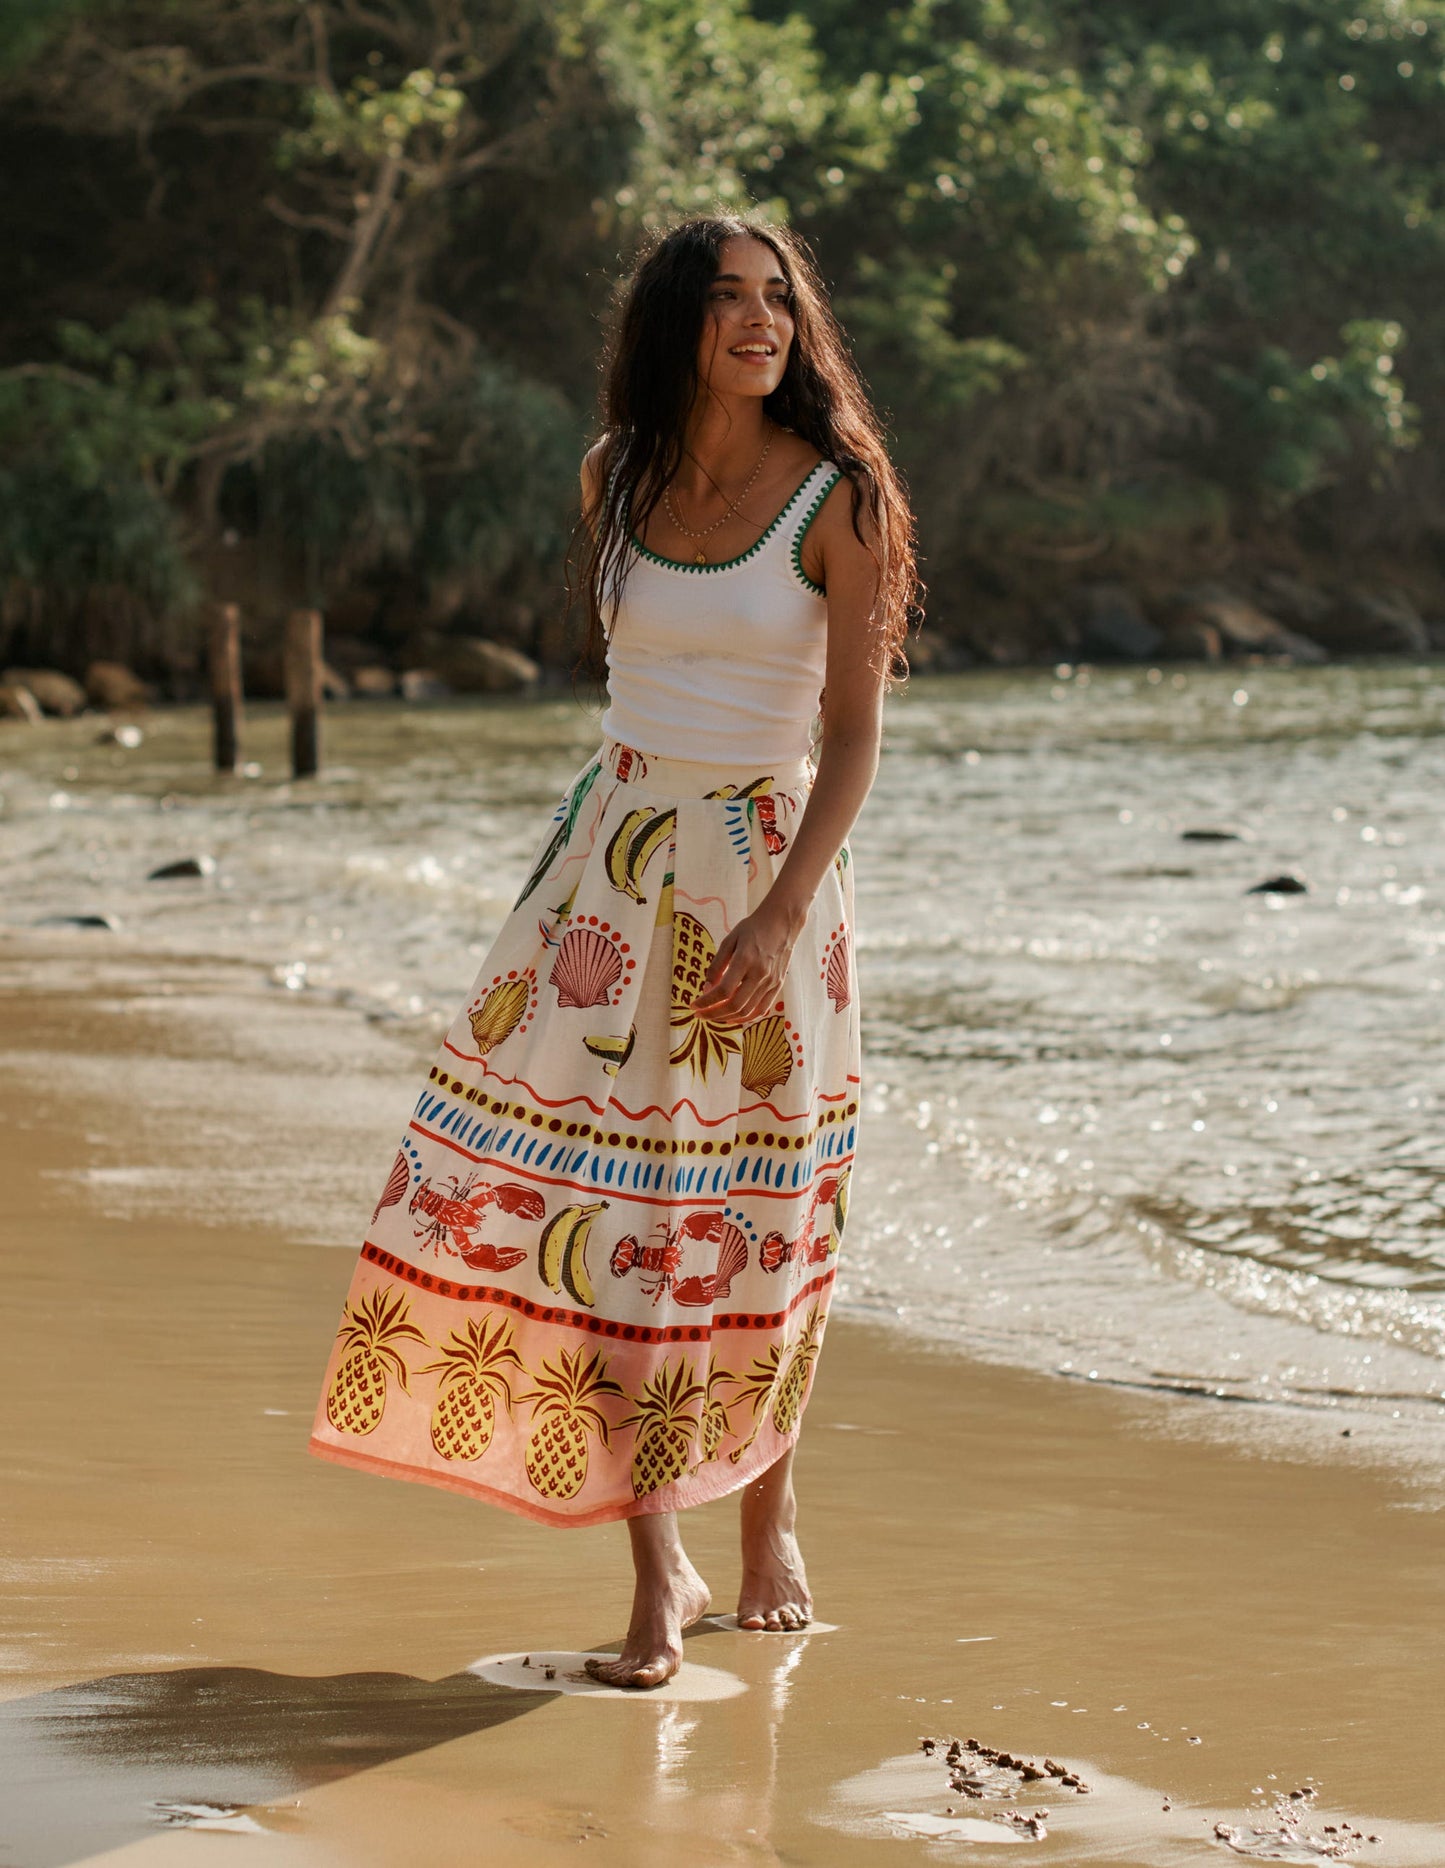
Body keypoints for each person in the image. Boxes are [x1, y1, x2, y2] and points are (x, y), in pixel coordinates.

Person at [310, 213, 918, 1690]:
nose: (759, 321)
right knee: (612, 1217)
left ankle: (768, 1512)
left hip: (771, 883)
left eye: (779, 299)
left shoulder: (843, 498)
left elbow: (852, 738)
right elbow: (630, 691)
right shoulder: (614, 477)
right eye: (725, 300)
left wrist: (778, 917)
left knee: (761, 1212)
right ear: (672, 325)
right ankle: (657, 1563)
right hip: (606, 883)